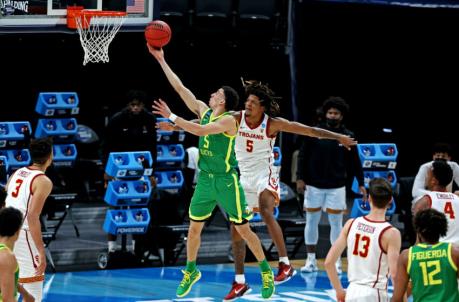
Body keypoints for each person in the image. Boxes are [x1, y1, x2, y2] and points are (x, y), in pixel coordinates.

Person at [148, 45, 275, 299]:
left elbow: (201, 132)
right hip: (205, 180)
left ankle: (265, 271)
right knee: (193, 229)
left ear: (224, 101)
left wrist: (173, 118)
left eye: (216, 93)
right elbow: (181, 88)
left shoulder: (229, 120)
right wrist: (162, 60)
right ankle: (191, 271)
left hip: (227, 181)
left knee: (243, 230)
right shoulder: (204, 113)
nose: (211, 95)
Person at [223, 80, 357, 300]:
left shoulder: (273, 123)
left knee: (266, 210)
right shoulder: (236, 119)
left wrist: (338, 137)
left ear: (262, 107)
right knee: (235, 228)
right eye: (247, 101)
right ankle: (239, 281)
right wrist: (176, 123)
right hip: (244, 177)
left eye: (253, 102)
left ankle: (285, 264)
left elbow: (310, 131)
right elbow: (205, 123)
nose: (248, 105)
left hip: (265, 175)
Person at [296, 96, 367, 273]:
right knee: (311, 222)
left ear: (341, 116)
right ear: (325, 114)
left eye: (336, 113)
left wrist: (362, 182)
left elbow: (355, 161)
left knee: (336, 225)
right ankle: (310, 260)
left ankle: (335, 261)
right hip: (313, 185)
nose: (332, 115)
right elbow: (302, 156)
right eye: (330, 112)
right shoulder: (314, 132)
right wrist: (300, 177)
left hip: (337, 186)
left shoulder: (348, 136)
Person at [324, 178, 401, 302]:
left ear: (369, 198)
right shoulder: (391, 233)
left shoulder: (351, 223)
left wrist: (339, 291)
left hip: (352, 291)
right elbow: (395, 274)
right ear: (390, 200)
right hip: (375, 293)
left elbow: (328, 262)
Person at [102, 90, 157, 253]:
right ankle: (112, 247)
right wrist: (106, 170)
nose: (135, 108)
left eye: (138, 105)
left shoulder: (149, 120)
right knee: (115, 206)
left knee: (137, 207)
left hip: (140, 171)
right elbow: (106, 147)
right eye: (132, 105)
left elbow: (153, 149)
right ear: (128, 105)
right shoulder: (117, 120)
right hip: (117, 170)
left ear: (143, 105)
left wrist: (152, 172)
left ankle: (135, 247)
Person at [4, 138, 53, 302]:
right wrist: (41, 250)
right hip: (23, 234)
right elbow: (32, 216)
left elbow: (4, 201)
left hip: (6, 233)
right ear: (50, 156)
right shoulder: (43, 181)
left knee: (12, 284)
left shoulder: (17, 173)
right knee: (33, 289)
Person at [391, 208, 459, 302]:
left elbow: (397, 299)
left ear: (418, 231)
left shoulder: (406, 256)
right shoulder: (454, 252)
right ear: (442, 229)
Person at [412, 160, 459, 245]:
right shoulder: (457, 198)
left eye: (428, 175)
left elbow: (419, 240)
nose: (426, 178)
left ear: (434, 180)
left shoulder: (424, 202)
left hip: (437, 251)